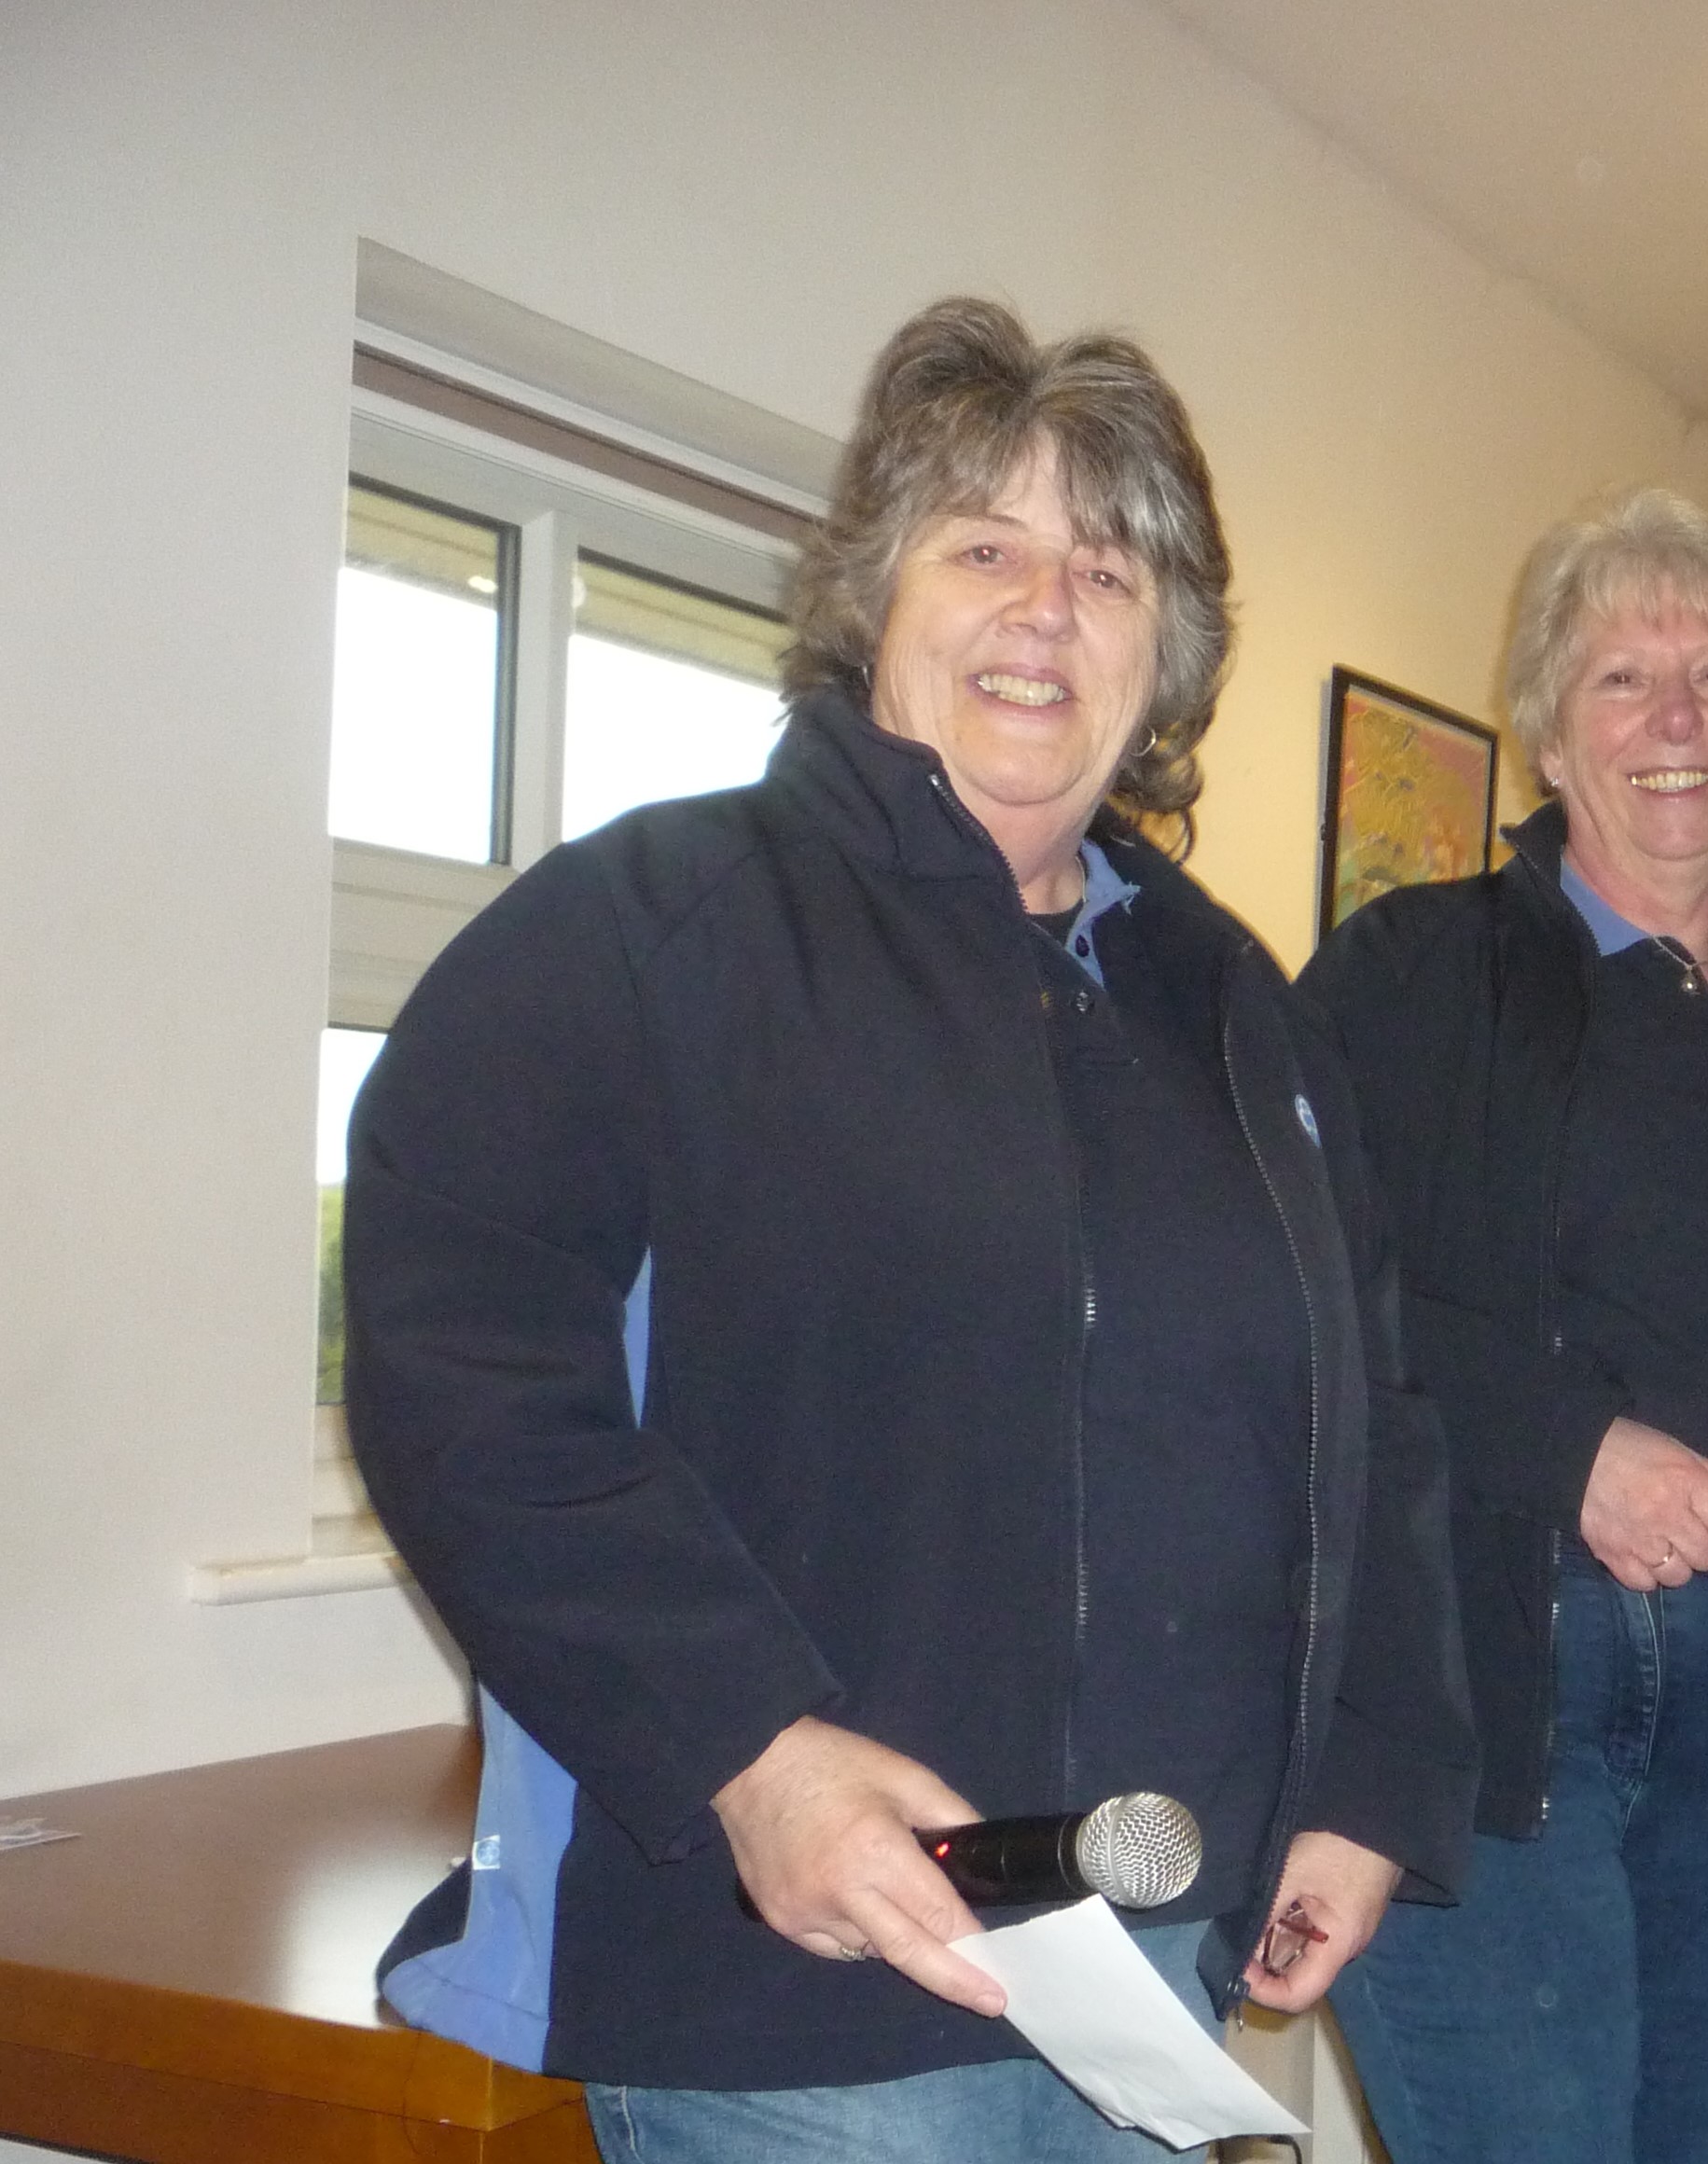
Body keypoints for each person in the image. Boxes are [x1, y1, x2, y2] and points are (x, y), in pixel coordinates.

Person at [344, 296, 1475, 2162]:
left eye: (1105, 573)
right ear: (876, 590)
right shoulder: (644, 930)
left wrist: (1366, 1779)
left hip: (1153, 1962)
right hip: (796, 1973)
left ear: (1165, 658)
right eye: (984, 549)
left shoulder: (1239, 1010)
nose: (1045, 611)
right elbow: (462, 1374)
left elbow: (1379, 1427)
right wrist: (752, 1751)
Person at [1301, 488, 1708, 2164]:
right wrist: (1565, 1449)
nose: (1675, 719)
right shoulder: (1410, 974)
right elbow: (1294, 1290)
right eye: (1621, 678)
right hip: (1493, 1678)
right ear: (1548, 735)